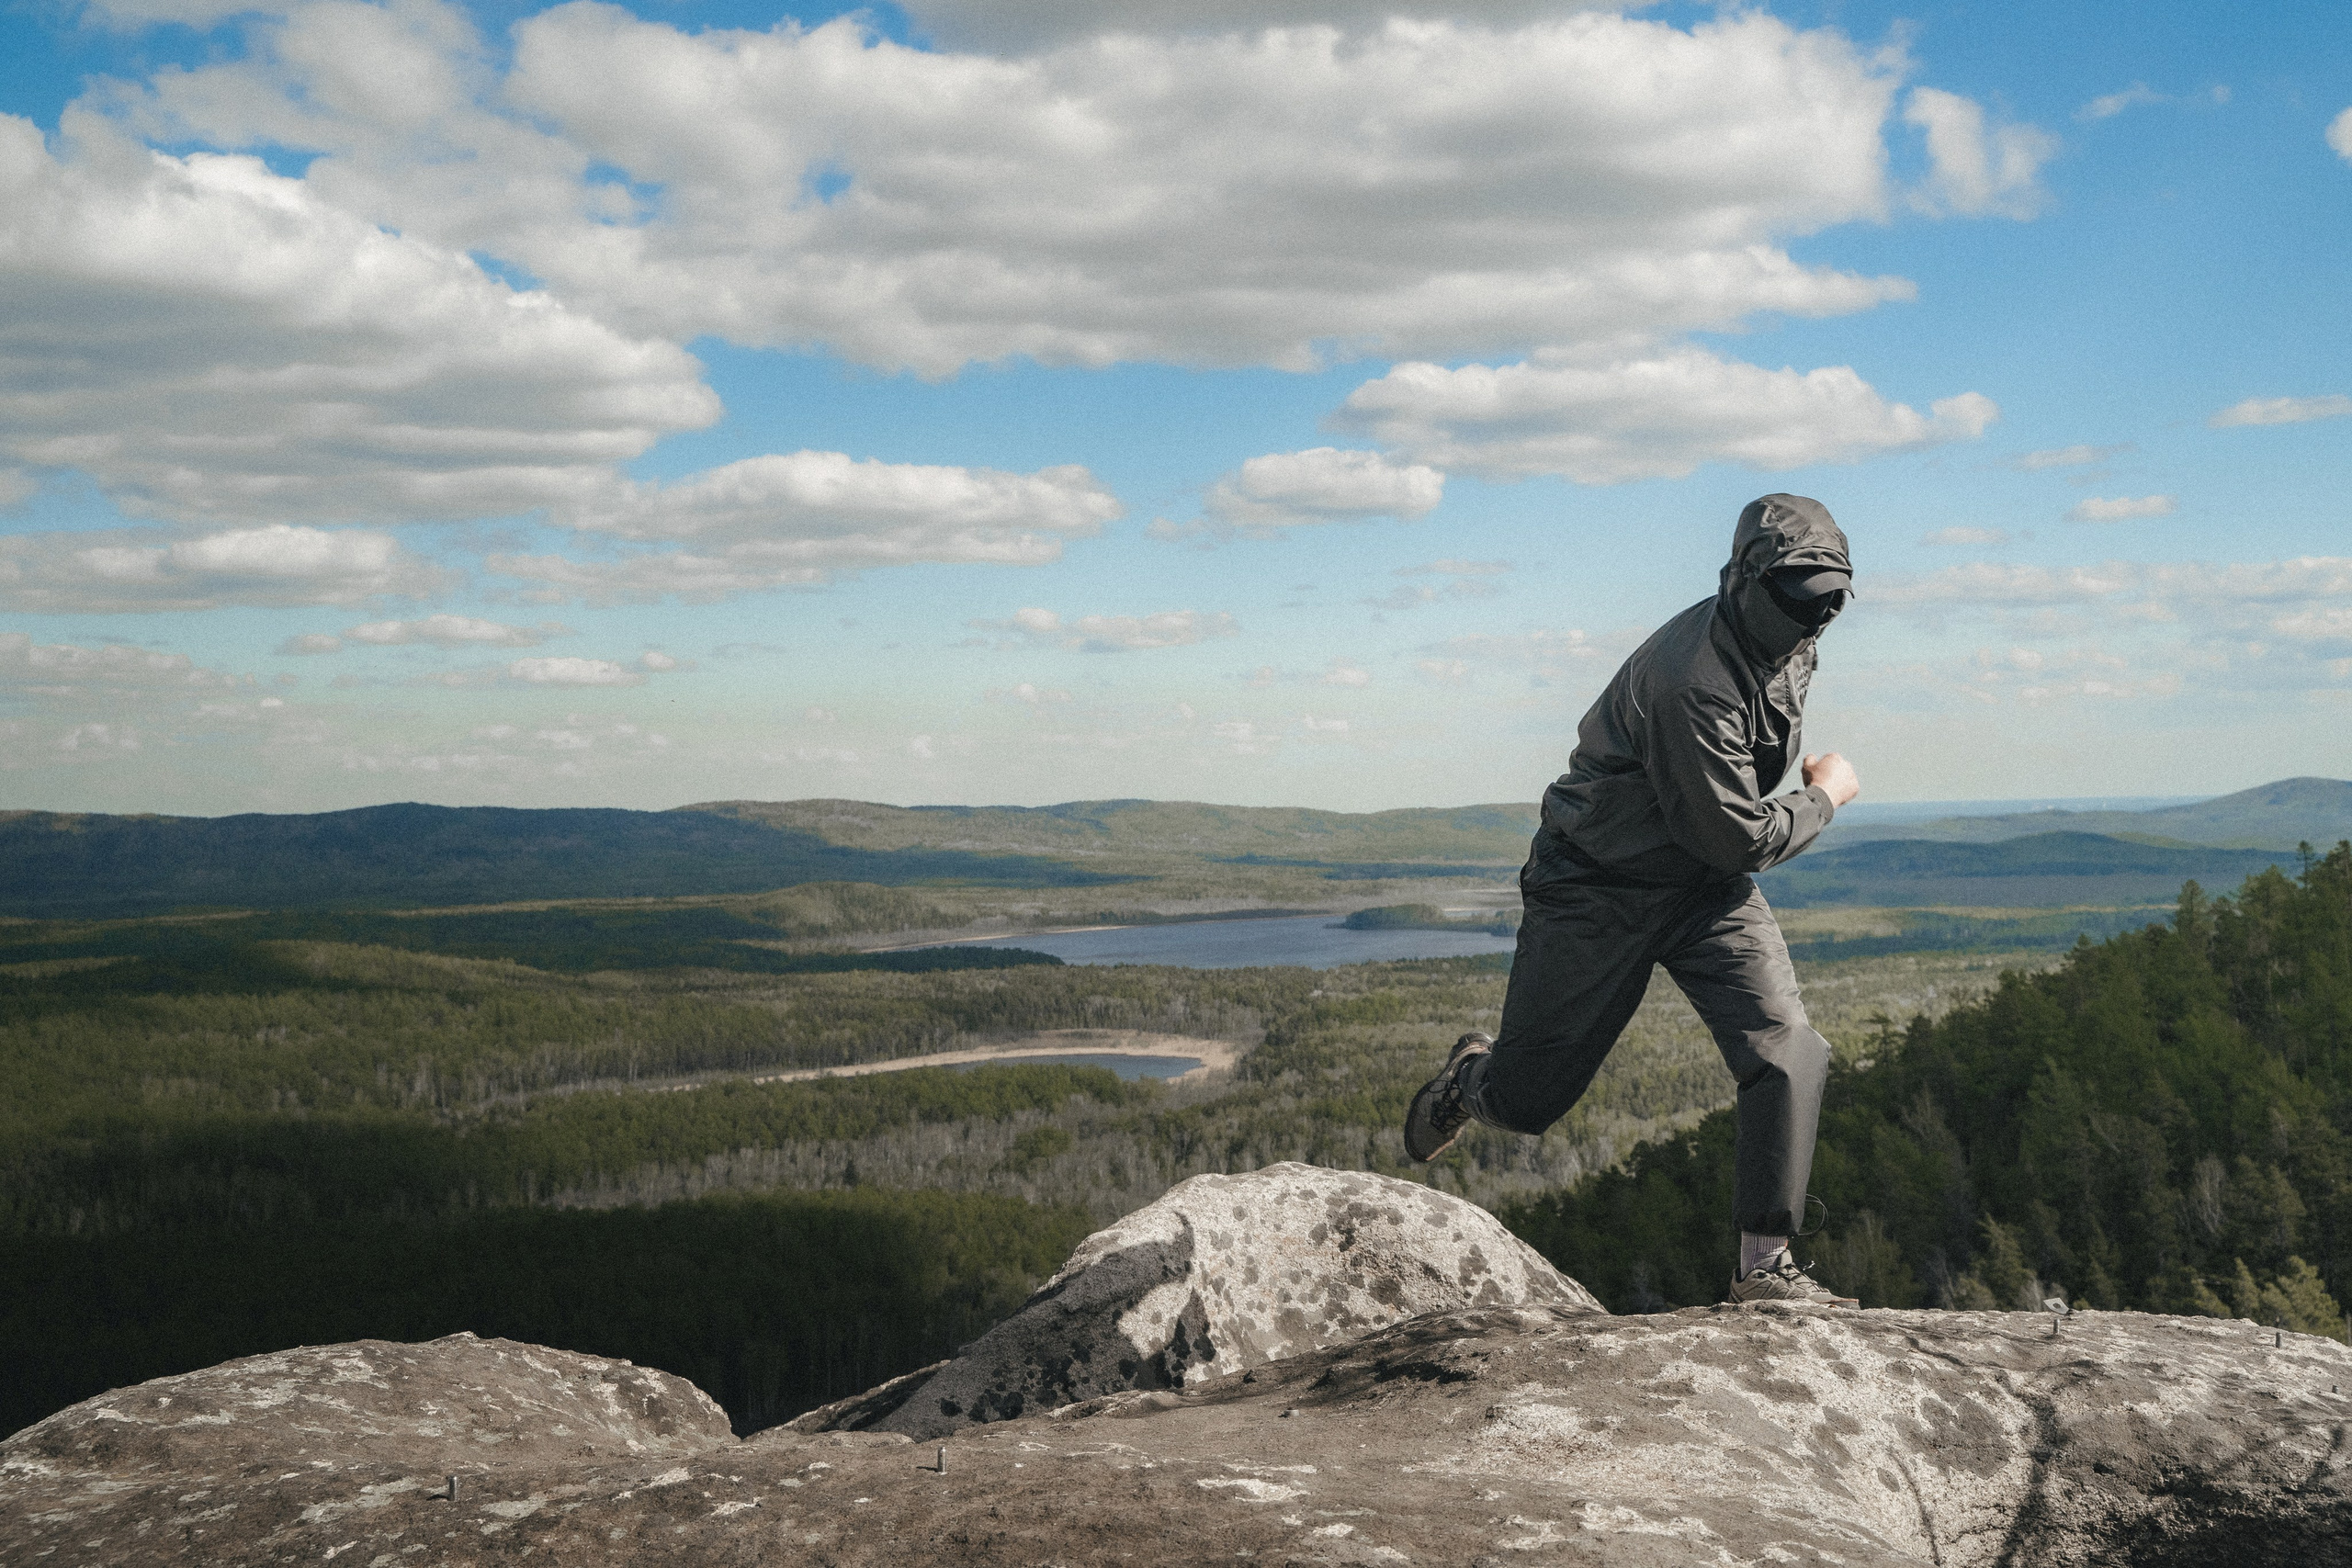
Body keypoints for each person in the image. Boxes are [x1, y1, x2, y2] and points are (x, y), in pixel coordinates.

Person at [1403, 493, 1861, 1307]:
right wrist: (1825, 796)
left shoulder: (1793, 634)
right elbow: (1738, 838)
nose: (1815, 615)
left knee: (1787, 1047)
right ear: (1744, 578)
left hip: (1702, 888)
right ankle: (1468, 1079)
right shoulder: (1690, 679)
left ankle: (1764, 1266)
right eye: (1799, 596)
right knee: (1528, 1099)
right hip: (1596, 884)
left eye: (1830, 599)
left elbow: (1720, 840)